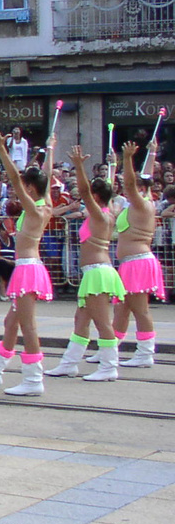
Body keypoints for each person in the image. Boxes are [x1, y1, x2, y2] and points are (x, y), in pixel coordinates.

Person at [0, 127, 56, 396]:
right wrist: (50, 148)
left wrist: (1, 151)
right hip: (28, 267)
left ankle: (34, 379)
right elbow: (47, 171)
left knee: (27, 325)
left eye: (24, 186)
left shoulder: (36, 207)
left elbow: (14, 177)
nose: (18, 189)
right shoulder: (45, 201)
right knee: (11, 324)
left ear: (31, 188)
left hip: (28, 268)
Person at [46, 147, 127, 380]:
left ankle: (109, 367)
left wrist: (79, 167)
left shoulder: (100, 213)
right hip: (95, 271)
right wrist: (113, 165)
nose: (86, 196)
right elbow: (104, 188)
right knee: (80, 319)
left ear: (96, 196)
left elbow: (83, 190)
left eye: (92, 194)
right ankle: (70, 363)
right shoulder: (107, 209)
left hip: (97, 272)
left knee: (102, 322)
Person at [110, 142, 162, 369]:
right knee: (121, 308)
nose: (125, 188)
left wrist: (127, 158)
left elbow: (131, 182)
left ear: (141, 188)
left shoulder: (142, 204)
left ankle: (145, 353)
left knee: (140, 310)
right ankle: (110, 348)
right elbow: (143, 177)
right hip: (131, 263)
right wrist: (151, 151)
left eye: (133, 186)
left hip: (138, 263)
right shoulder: (139, 202)